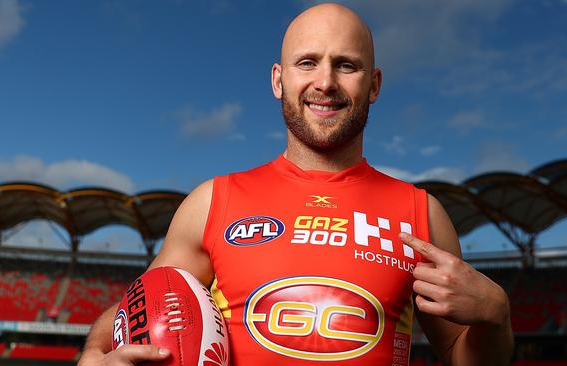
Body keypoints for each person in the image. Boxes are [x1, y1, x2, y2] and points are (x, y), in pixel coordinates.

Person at [78, 3, 513, 365]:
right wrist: (96, 354)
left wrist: (496, 315)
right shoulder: (212, 202)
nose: (325, 82)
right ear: (278, 80)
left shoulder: (421, 215)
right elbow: (143, 300)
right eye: (308, 62)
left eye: (346, 65)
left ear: (374, 85)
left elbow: (461, 355)